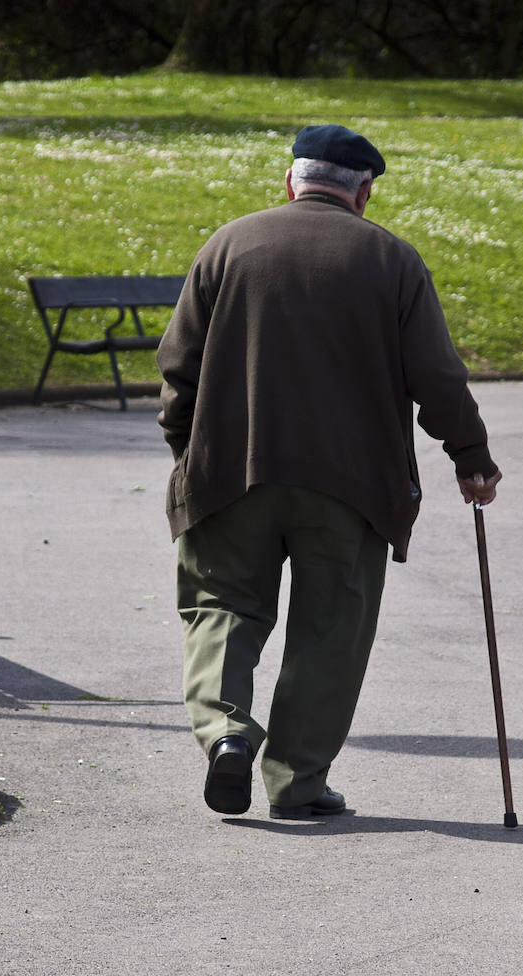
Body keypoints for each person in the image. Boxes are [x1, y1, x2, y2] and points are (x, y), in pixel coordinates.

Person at [156, 123, 501, 820]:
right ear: (363, 192)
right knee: (330, 632)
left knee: (222, 608)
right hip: (350, 486)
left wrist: (188, 451)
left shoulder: (228, 245)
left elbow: (178, 368)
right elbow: (436, 376)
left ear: (290, 180)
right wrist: (471, 456)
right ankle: (296, 782)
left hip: (231, 474)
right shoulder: (392, 261)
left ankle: (225, 733)